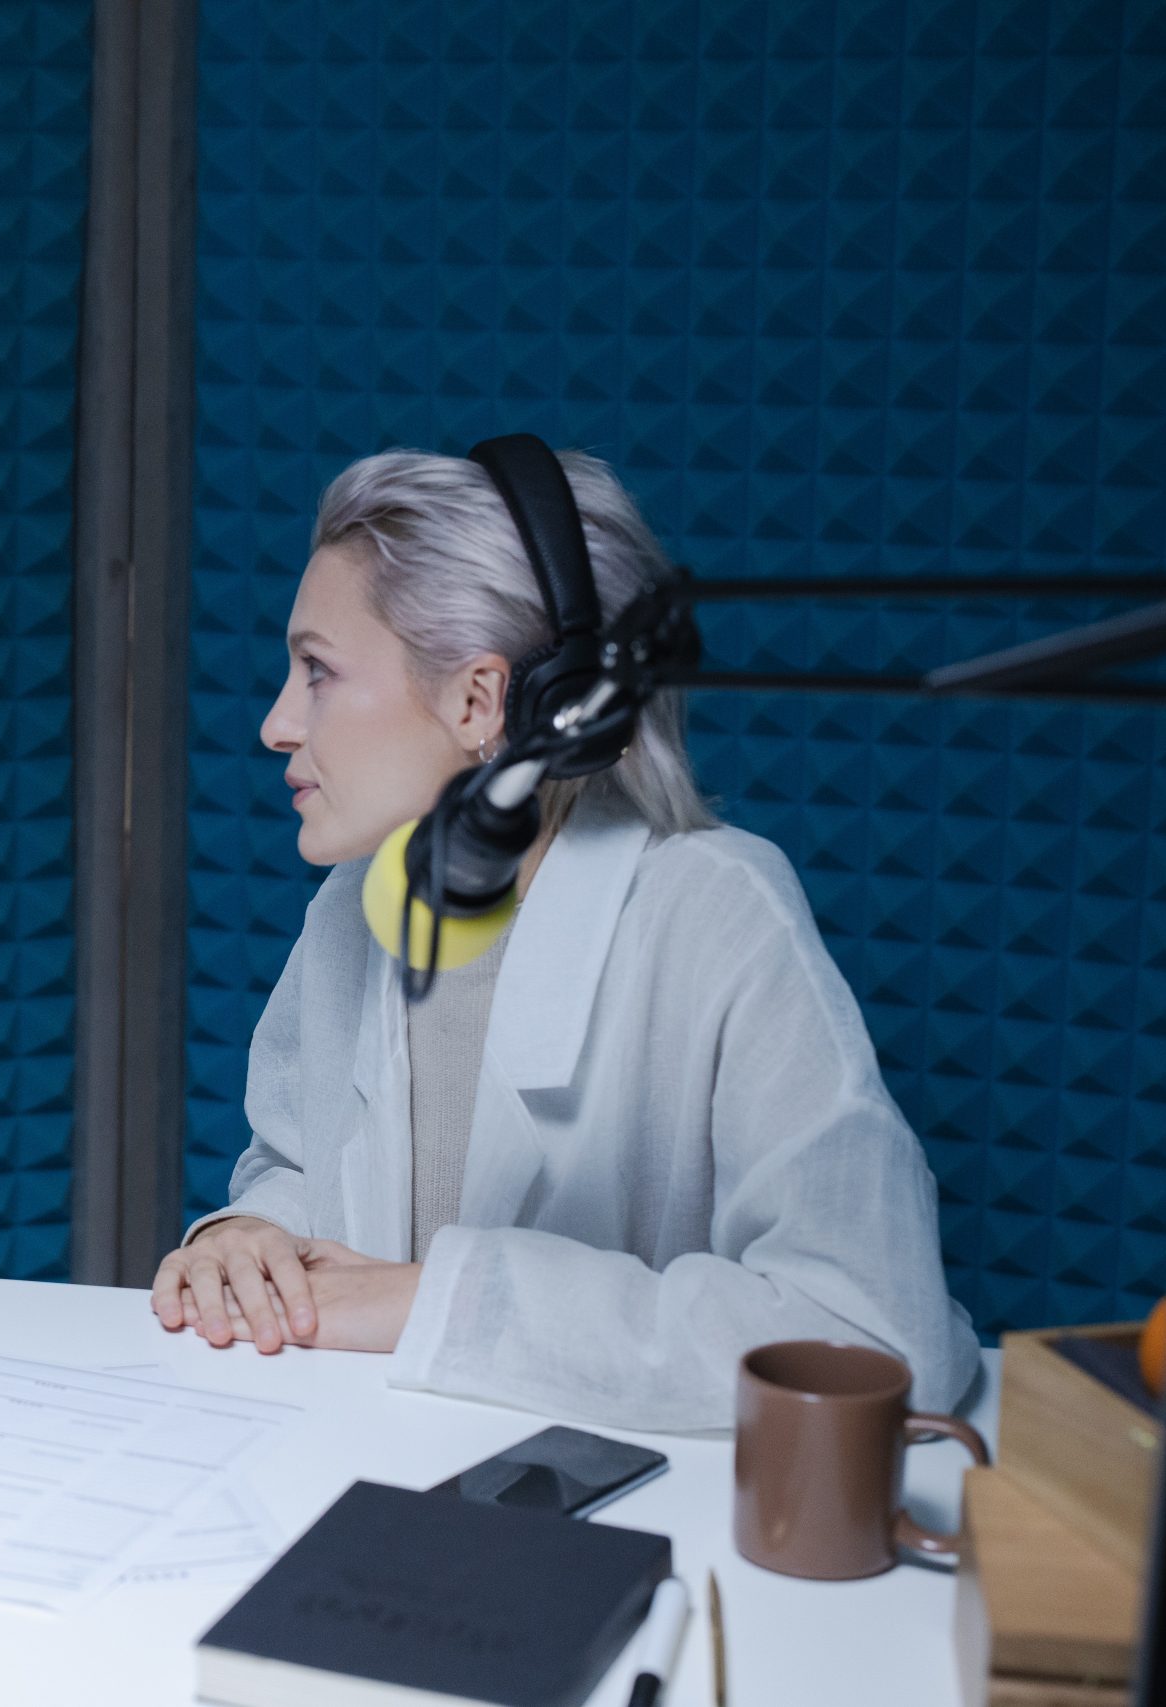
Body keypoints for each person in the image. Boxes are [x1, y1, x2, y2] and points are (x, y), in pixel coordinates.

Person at [152, 446, 978, 1431]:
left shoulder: (715, 911)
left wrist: (444, 1300)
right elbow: (297, 1161)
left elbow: (875, 1338)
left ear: (478, 701)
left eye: (317, 671)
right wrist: (252, 1238)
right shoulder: (356, 905)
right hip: (367, 1464)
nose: (275, 725)